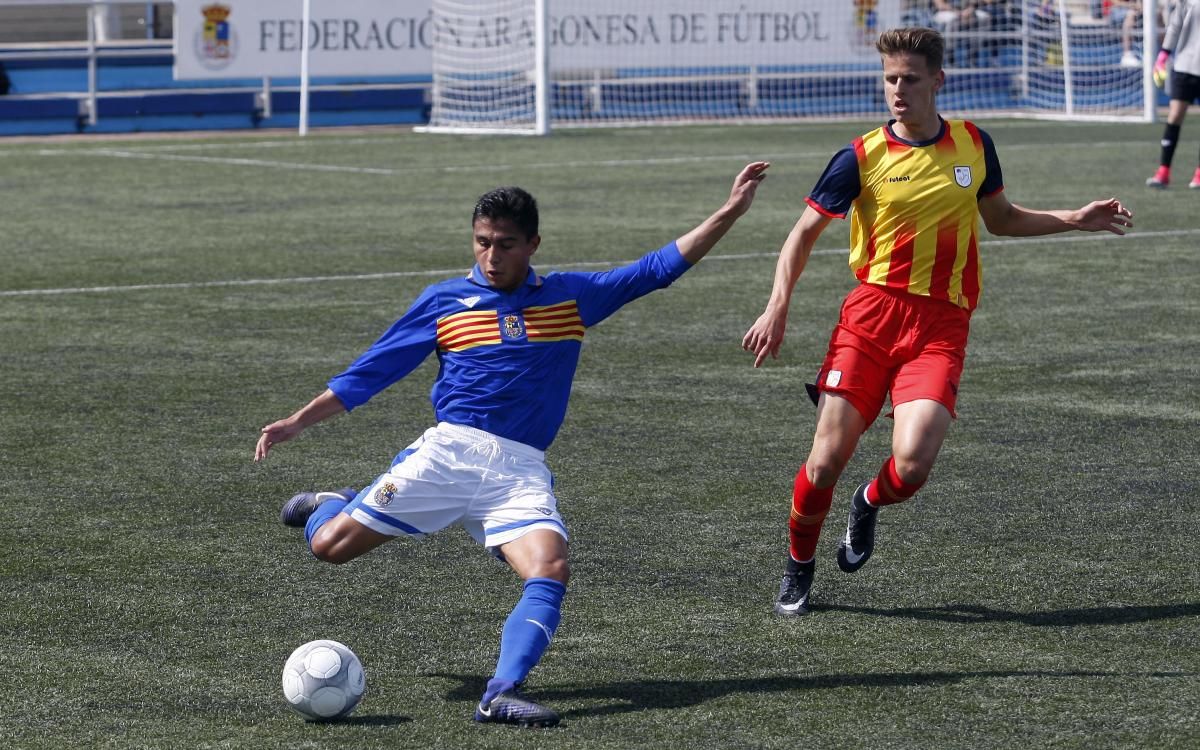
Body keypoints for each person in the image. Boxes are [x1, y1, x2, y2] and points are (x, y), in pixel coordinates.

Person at [254, 161, 770, 726]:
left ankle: (498, 693)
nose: (491, 256)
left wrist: (729, 211)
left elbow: (655, 270)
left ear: (533, 244)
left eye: (505, 244)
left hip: (519, 471)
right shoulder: (443, 303)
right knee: (329, 547)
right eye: (482, 242)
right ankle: (330, 504)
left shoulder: (571, 297)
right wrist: (297, 422)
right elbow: (370, 372)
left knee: (549, 568)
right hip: (447, 455)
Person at [741, 26, 1133, 617]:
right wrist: (777, 306)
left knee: (913, 466)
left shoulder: (974, 144)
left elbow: (1001, 219)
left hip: (941, 325)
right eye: (890, 79)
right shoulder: (861, 155)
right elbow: (801, 235)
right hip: (871, 318)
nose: (898, 90)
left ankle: (868, 503)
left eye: (911, 80)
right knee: (824, 461)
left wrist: (1074, 219)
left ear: (938, 81)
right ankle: (799, 565)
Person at [1146, 0, 1200, 188]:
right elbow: (1175, 26)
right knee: (1175, 115)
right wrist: (1163, 55)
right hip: (1185, 65)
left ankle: (1199, 174)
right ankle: (1163, 172)